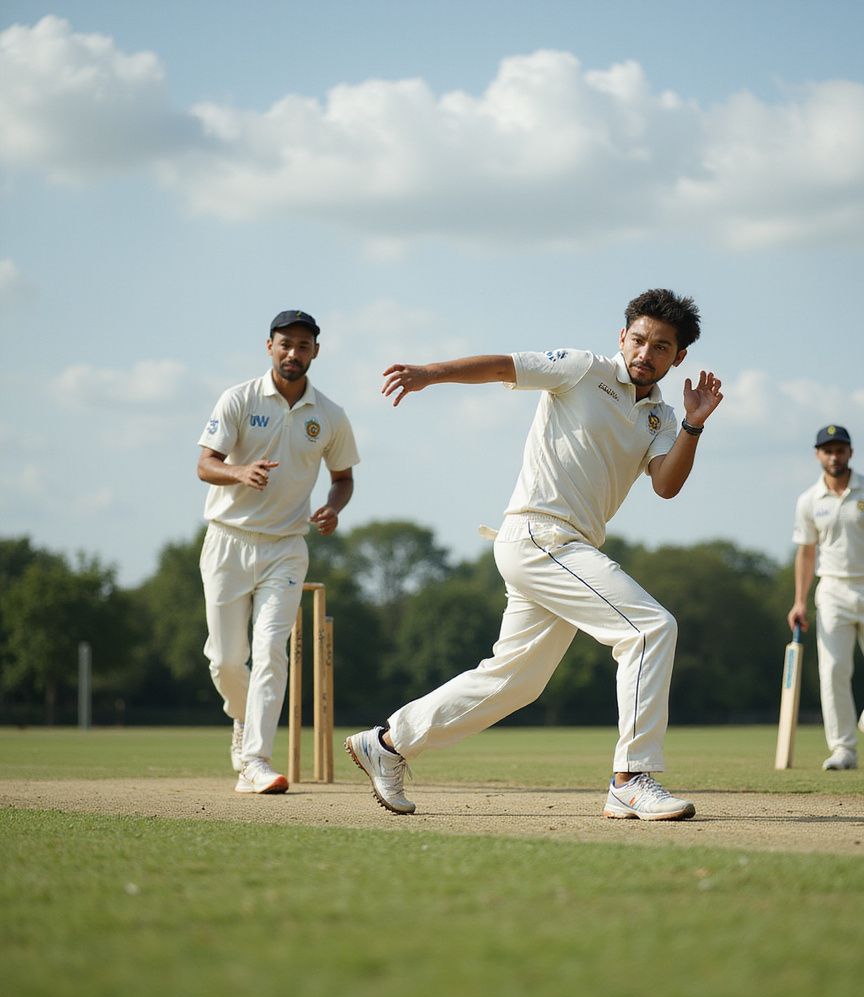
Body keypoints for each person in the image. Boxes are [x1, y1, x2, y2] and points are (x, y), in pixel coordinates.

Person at [346, 288, 724, 819]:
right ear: (622, 337)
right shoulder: (581, 369)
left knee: (515, 680)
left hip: (567, 548)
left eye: (661, 347)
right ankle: (631, 777)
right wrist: (431, 372)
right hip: (540, 535)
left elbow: (666, 484)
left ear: (678, 356)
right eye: (638, 339)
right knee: (649, 628)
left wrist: (694, 423)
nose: (646, 352)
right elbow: (505, 365)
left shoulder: (661, 418)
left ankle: (388, 744)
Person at [197, 310, 359, 794]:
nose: (294, 353)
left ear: (315, 351)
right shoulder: (239, 399)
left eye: (303, 345)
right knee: (226, 661)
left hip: (287, 547)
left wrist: (333, 507)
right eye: (285, 344)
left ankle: (255, 762)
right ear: (269, 346)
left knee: (271, 650)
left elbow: (344, 479)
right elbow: (206, 464)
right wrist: (239, 472)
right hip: (228, 539)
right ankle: (242, 719)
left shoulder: (329, 415)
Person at [787, 425, 864, 770]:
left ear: (850, 453)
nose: (834, 456)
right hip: (832, 592)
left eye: (839, 450)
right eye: (827, 450)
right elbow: (806, 554)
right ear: (818, 455)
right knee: (833, 671)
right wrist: (800, 600)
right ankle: (843, 749)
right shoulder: (808, 500)